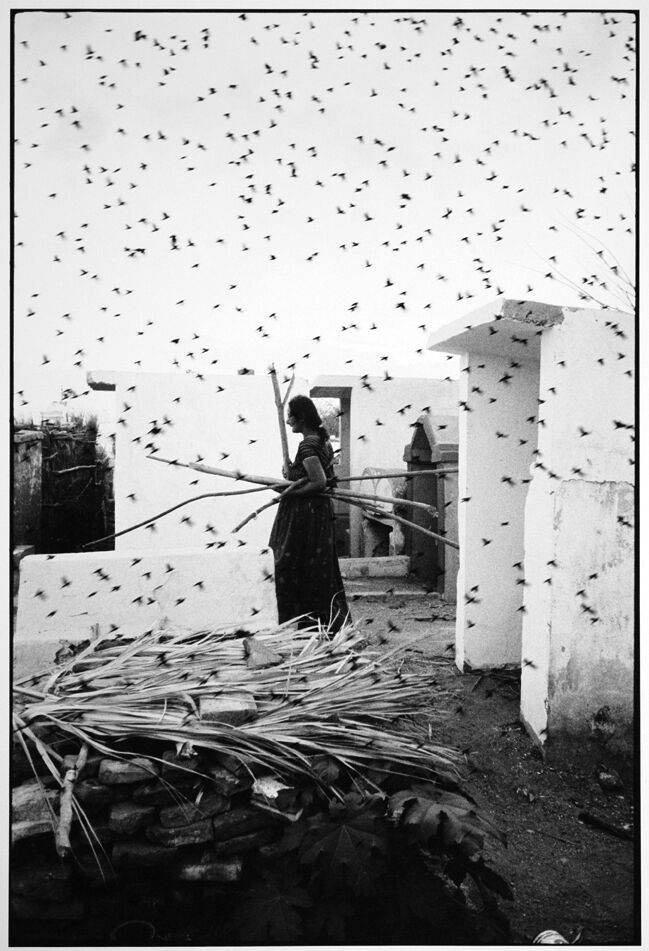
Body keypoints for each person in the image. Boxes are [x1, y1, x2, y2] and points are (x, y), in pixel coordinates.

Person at [269, 395, 350, 632]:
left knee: (288, 563)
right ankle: (318, 625)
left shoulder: (307, 445)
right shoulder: (323, 443)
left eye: (290, 416)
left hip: (304, 515)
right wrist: (291, 473)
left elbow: (319, 483)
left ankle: (301, 624)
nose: (288, 421)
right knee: (316, 567)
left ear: (301, 417)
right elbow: (327, 479)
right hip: (319, 514)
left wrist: (288, 491)